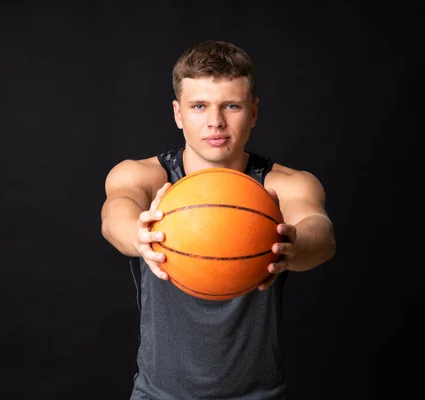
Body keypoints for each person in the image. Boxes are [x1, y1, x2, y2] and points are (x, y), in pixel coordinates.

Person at [100, 40, 336, 399]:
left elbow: (319, 230)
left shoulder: (283, 184)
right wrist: (138, 234)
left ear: (253, 112)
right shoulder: (145, 177)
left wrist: (295, 244)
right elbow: (115, 211)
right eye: (199, 106)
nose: (215, 121)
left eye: (231, 105)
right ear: (178, 114)